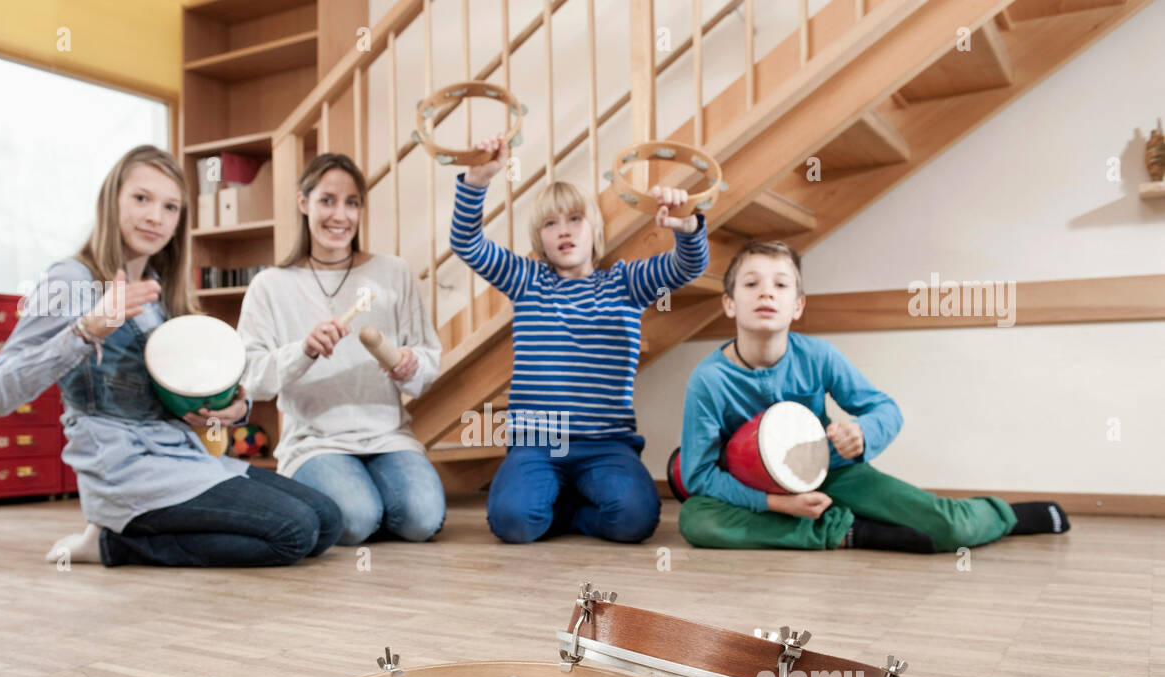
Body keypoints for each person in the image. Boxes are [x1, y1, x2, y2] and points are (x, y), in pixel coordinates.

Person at [0, 144, 342, 566]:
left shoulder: (161, 290)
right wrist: (86, 330)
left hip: (182, 456)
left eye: (170, 207)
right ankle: (110, 542)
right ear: (112, 200)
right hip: (124, 470)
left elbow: (189, 404)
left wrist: (232, 408)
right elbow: (0, 392)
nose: (156, 216)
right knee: (294, 531)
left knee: (327, 520)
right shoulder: (72, 280)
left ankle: (130, 532)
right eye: (141, 198)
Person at [676, 239, 1070, 552]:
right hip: (757, 491)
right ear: (729, 303)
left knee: (949, 527)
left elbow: (885, 408)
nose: (766, 293)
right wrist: (779, 504)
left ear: (797, 306)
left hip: (833, 473)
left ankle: (1006, 516)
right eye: (751, 283)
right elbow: (699, 475)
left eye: (780, 284)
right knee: (696, 520)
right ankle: (847, 531)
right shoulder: (708, 380)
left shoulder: (819, 356)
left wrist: (863, 432)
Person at [450, 136, 710, 543]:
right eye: (550, 224)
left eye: (574, 219)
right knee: (513, 522)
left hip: (606, 443)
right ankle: (558, 502)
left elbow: (688, 264)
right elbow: (466, 242)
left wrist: (687, 226)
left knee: (635, 519)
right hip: (537, 442)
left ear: (595, 230)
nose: (564, 231)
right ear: (540, 240)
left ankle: (570, 513)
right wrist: (476, 181)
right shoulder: (528, 280)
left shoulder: (625, 282)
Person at [237, 153, 446, 546]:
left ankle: (370, 499)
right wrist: (303, 351)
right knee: (355, 519)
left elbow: (427, 362)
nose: (341, 215)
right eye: (327, 200)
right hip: (316, 441)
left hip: (387, 436)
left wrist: (410, 368)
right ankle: (356, 500)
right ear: (304, 203)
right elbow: (251, 379)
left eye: (352, 203)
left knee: (421, 519)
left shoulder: (394, 271)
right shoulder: (270, 285)